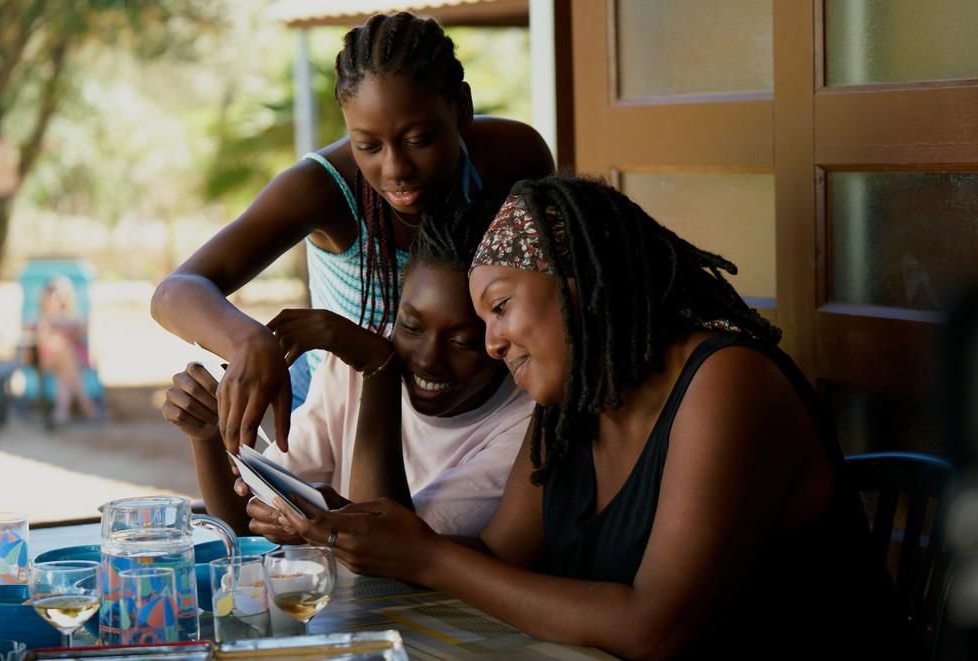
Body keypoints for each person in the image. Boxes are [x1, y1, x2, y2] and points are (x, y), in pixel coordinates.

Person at [272, 175, 916, 659]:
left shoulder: (728, 382)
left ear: (579, 281)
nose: (493, 344)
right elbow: (502, 558)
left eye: (498, 308)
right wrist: (388, 544)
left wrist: (430, 560)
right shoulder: (573, 405)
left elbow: (653, 626)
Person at [151, 12, 553, 455]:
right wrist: (247, 340)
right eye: (368, 146)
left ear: (461, 107)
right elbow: (177, 290)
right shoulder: (323, 188)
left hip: (474, 409)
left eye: (418, 140)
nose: (396, 169)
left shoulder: (514, 158)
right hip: (342, 416)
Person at [162, 200, 533, 540]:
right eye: (411, 327)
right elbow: (245, 526)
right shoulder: (353, 366)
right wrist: (206, 435)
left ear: (501, 339)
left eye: (462, 342)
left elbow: (394, 552)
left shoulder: (522, 425)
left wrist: (381, 372)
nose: (428, 358)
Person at [35, 276, 98, 425]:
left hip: (72, 361)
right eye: (50, 294)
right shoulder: (43, 320)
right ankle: (86, 405)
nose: (53, 299)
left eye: (57, 294)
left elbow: (83, 332)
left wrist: (68, 329)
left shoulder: (72, 318)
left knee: (64, 370)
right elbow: (44, 342)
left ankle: (61, 412)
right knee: (63, 351)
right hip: (50, 359)